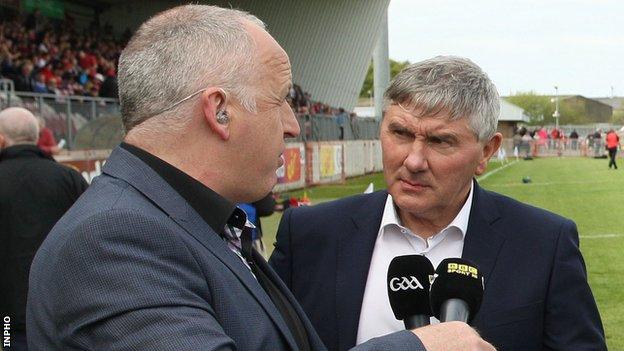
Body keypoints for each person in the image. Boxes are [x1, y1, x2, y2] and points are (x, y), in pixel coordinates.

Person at [26, 6, 492, 351]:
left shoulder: (199, 221)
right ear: (220, 111)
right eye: (279, 100)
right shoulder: (114, 239)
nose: (293, 123)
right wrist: (422, 346)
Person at [270, 56, 606, 351]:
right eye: (400, 133)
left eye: (440, 141)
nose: (414, 160)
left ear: (487, 151)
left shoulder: (544, 243)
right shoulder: (308, 235)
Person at [0, 107, 88, 351]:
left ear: (1, 140)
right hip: (67, 312)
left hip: (9, 317)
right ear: (37, 138)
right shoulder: (68, 178)